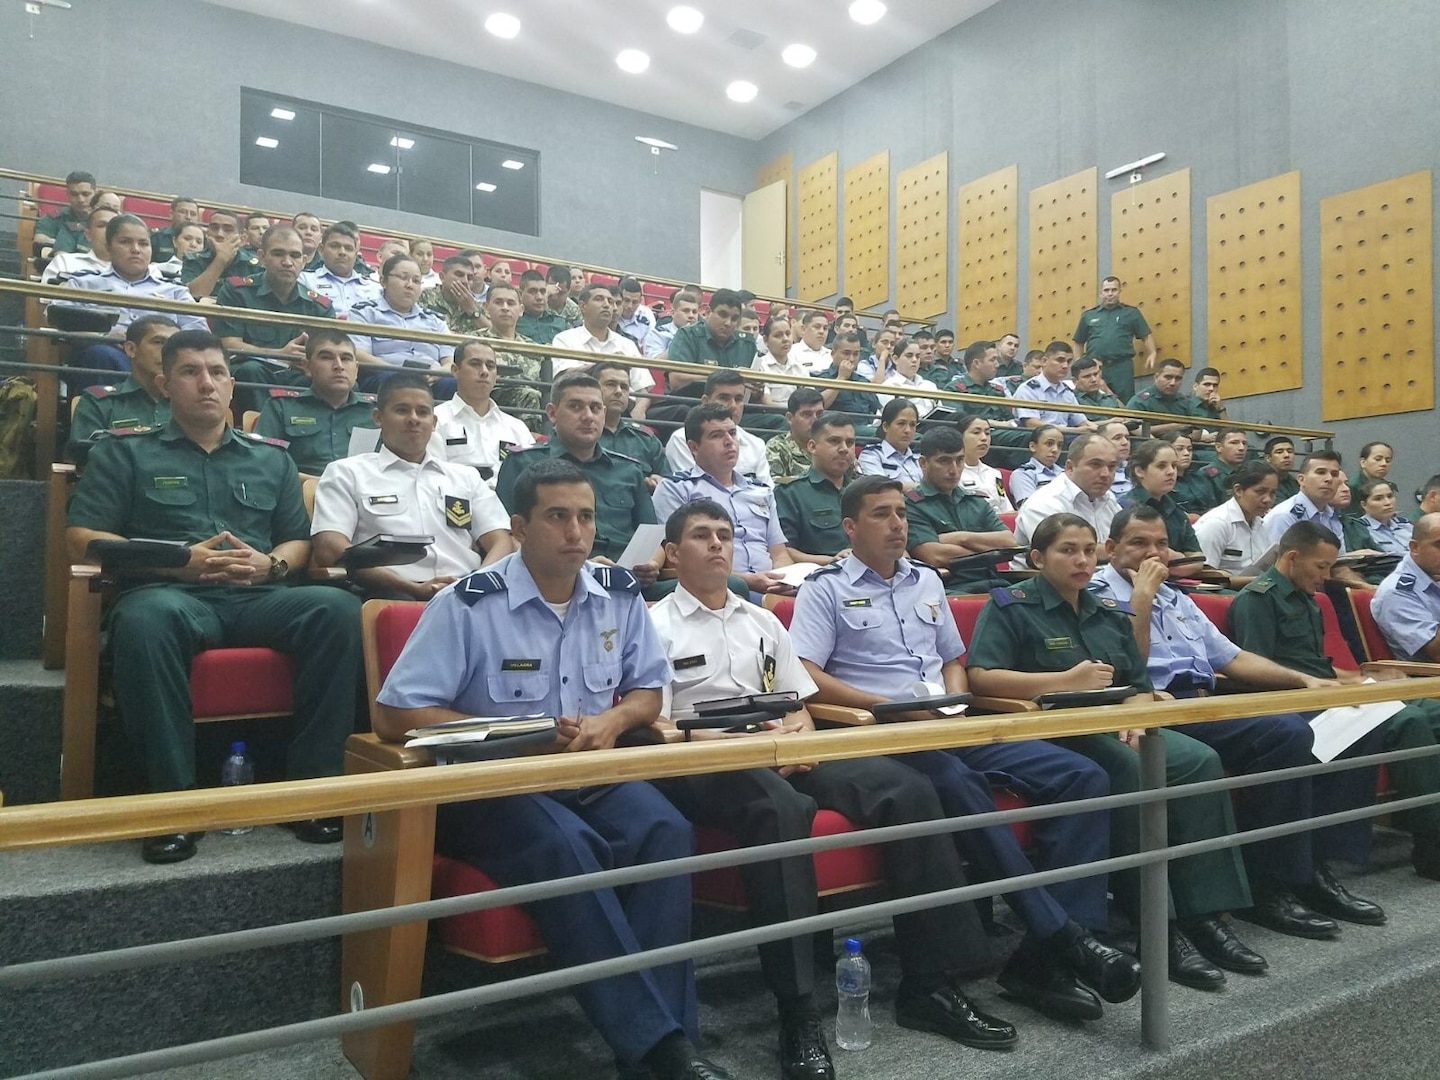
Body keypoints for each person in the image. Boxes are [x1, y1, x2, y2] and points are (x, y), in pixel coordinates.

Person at [373, 459, 732, 1080]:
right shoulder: (468, 602)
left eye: (586, 517)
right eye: (558, 516)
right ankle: (662, 1052)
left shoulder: (618, 593)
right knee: (568, 846)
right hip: (491, 785)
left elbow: (648, 690)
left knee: (666, 830)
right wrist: (512, 742)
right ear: (519, 525)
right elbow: (396, 714)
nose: (576, 531)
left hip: (587, 771)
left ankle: (660, 1047)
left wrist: (613, 723)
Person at [650, 499, 1019, 1070]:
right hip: (709, 765)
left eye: (725, 534)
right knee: (780, 810)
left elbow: (800, 701)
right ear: (673, 553)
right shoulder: (654, 623)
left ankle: (930, 984)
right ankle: (798, 1011)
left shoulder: (763, 619)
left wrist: (796, 732)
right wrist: (739, 745)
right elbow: (660, 723)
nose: (718, 545)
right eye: (702, 536)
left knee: (906, 789)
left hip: (790, 748)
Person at [790, 478, 1141, 1021]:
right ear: (850, 527)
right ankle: (1063, 936)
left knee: (1082, 777)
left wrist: (953, 697)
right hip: (880, 732)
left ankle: (1042, 961)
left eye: (902, 513)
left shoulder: (927, 580)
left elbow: (954, 657)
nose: (897, 523)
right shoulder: (825, 587)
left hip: (951, 723)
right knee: (953, 780)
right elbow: (807, 675)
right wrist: (889, 706)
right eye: (881, 514)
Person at [65, 329, 361, 863]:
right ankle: (172, 805)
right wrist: (181, 558)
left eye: (218, 372)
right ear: (164, 383)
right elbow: (84, 536)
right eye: (190, 372)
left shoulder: (272, 459)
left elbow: (297, 540)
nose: (207, 383)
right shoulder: (125, 452)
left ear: (231, 385)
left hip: (258, 598)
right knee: (145, 622)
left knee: (338, 608)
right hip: (169, 594)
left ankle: (313, 793)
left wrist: (269, 564)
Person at [967, 513, 1264, 988]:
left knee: (1199, 761)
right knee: (1130, 772)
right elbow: (982, 676)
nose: (1081, 559)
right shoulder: (1010, 605)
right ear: (1038, 558)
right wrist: (1062, 681)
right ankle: (1157, 927)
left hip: (1112, 724)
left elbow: (1138, 682)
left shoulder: (1107, 610)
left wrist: (1135, 715)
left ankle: (1203, 913)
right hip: (1052, 728)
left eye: (1088, 550)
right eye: (1067, 550)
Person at [1093, 506, 1383, 937]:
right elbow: (1126, 669)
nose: (1152, 553)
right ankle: (1260, 888)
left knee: (1326, 726)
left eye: (1160, 543)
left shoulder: (1180, 598)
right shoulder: (1098, 594)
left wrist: (1304, 680)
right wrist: (1141, 599)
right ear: (1112, 549)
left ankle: (1300, 873)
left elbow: (1232, 657)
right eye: (1138, 543)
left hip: (1207, 703)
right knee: (1280, 734)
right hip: (1153, 709)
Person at [1235, 521, 1440, 882]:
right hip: (1299, 704)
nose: (1327, 576)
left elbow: (1319, 666)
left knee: (1426, 707)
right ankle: (1430, 841)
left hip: (1331, 691)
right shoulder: (1257, 599)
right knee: (1410, 721)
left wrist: (1362, 680)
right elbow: (1258, 672)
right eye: (1321, 567)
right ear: (1294, 557)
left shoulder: (1309, 600)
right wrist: (1343, 686)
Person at [311, 372, 513, 598]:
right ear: (378, 417)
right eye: (402, 410)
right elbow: (329, 547)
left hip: (467, 589)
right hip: (387, 590)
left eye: (423, 412)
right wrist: (410, 587)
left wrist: (476, 583)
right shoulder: (347, 473)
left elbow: (501, 540)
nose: (414, 419)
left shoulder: (466, 477)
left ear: (434, 423)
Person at [496, 376, 661, 584]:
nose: (588, 416)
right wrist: (585, 566)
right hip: (554, 578)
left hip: (627, 578)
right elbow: (511, 536)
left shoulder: (628, 469)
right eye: (576, 407)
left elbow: (652, 536)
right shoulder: (522, 463)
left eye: (595, 408)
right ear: (552, 413)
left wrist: (652, 564)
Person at [52, 214, 209, 392]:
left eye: (143, 243)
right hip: (108, 356)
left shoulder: (175, 291)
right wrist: (104, 337)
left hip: (164, 358)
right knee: (100, 355)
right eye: (126, 242)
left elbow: (199, 333)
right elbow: (61, 321)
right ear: (108, 247)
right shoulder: (84, 284)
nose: (136, 249)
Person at [654, 405, 792, 595]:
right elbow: (677, 558)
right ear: (694, 447)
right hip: (720, 587)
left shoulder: (761, 490)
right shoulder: (676, 488)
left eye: (732, 433)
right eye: (717, 435)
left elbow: (779, 553)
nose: (729, 442)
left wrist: (784, 580)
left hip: (772, 585)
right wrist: (747, 580)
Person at [212, 224, 337, 412]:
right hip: (251, 374)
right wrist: (279, 354)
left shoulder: (319, 306)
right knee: (251, 370)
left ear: (304, 261)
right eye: (278, 254)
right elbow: (229, 344)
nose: (287, 262)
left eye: (295, 256)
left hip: (298, 375)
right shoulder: (237, 292)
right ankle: (264, 433)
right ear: (262, 257)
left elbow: (327, 353)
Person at [904, 426, 1017, 593]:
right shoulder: (910, 505)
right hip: (948, 589)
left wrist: (959, 538)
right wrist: (990, 551)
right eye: (944, 461)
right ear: (923, 463)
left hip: (995, 584)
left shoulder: (976, 501)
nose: (954, 470)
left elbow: (1009, 542)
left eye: (959, 460)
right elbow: (934, 555)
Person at [254, 328, 378, 477]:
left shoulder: (376, 412)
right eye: (326, 357)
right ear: (307, 367)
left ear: (356, 369)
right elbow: (265, 463)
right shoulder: (281, 407)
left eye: (346, 358)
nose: (339, 366)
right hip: (300, 494)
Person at [68, 316, 179, 461]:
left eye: (175, 346)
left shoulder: (192, 402)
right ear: (131, 349)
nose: (167, 352)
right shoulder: (99, 402)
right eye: (158, 342)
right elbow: (85, 458)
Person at [432, 340, 535, 485]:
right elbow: (430, 475)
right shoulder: (436, 420)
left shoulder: (516, 428)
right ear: (455, 370)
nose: (484, 371)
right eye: (475, 364)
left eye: (491, 366)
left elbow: (530, 479)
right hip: (455, 504)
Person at [347, 254, 454, 386]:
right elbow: (358, 354)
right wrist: (400, 372)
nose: (410, 285)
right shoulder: (364, 313)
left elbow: (450, 362)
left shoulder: (435, 320)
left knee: (455, 384)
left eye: (416, 281)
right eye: (403, 278)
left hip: (431, 380)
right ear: (383, 281)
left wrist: (437, 374)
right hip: (385, 376)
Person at [1013, 432, 1121, 561]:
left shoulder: (1108, 498)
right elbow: (1065, 553)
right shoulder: (1044, 502)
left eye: (1111, 467)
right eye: (1095, 465)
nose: (1105, 474)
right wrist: (1125, 551)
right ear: (1070, 467)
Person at [553, 285, 654, 418]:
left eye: (610, 301)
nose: (607, 305)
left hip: (624, 412)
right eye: (599, 299)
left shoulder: (627, 344)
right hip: (583, 410)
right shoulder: (565, 339)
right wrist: (605, 364)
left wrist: (639, 411)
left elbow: (643, 389)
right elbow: (564, 377)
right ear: (583, 306)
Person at [776, 411, 857, 563]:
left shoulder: (863, 492)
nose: (844, 449)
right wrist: (832, 561)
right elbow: (783, 551)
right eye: (834, 441)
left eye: (850, 442)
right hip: (819, 575)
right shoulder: (791, 492)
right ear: (812, 446)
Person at [664, 370, 772, 483]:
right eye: (724, 398)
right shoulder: (682, 440)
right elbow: (694, 489)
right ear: (705, 402)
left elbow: (767, 493)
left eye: (739, 399)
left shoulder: (756, 444)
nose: (733, 406)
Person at [1118, 439, 1204, 570]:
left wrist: (1173, 560)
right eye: (1161, 466)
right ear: (1140, 471)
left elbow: (1198, 560)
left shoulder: (1177, 510)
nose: (1171, 472)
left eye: (1174, 465)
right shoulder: (1125, 507)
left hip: (1178, 581)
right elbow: (1143, 557)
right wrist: (1181, 558)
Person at [1072, 275, 1155, 404]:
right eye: (1106, 290)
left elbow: (1146, 335)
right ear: (1101, 293)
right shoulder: (1089, 315)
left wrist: (1152, 352)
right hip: (1095, 368)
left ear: (1119, 292)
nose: (1110, 294)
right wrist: (1079, 363)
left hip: (1121, 366)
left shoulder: (1131, 313)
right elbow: (1078, 341)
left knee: (1124, 401)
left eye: (1114, 290)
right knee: (1094, 399)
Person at [1193, 461, 1280, 576]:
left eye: (1272, 493)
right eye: (1260, 492)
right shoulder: (1216, 523)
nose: (1267, 499)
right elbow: (1203, 575)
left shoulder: (1262, 524)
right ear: (1238, 490)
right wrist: (1254, 582)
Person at [588, 360, 666, 487]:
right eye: (611, 384)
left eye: (624, 387)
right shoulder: (581, 433)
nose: (619, 391)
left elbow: (668, 480)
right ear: (593, 389)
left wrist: (659, 481)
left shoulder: (645, 439)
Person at [476, 281, 544, 425]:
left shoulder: (534, 348)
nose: (505, 308)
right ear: (486, 308)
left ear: (520, 310)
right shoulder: (474, 341)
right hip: (484, 402)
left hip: (532, 408)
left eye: (511, 303)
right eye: (499, 302)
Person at [666, 288, 754, 391]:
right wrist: (729, 379)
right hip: (692, 403)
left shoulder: (747, 344)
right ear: (707, 312)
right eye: (723, 315)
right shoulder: (687, 336)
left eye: (734, 318)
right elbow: (676, 380)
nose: (728, 323)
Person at [295, 221, 381, 318]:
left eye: (348, 248)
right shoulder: (304, 280)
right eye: (335, 246)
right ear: (321, 250)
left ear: (356, 254)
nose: (342, 252)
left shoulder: (375, 287)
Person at [1012, 342, 1096, 435]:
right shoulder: (1028, 389)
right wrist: (1074, 431)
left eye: (1068, 361)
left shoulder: (1067, 392)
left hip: (1065, 437)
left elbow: (1082, 422)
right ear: (1044, 361)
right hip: (1038, 439)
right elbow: (1032, 424)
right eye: (1060, 360)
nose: (1065, 366)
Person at [181, 210, 260, 299]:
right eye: (214, 228)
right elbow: (191, 297)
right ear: (207, 234)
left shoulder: (255, 266)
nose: (219, 234)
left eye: (228, 230)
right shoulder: (194, 259)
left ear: (242, 239)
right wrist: (220, 260)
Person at [1126, 359, 1206, 438]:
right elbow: (1132, 429)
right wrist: (1170, 427)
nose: (1173, 383)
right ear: (1156, 377)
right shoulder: (1141, 401)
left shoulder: (1184, 401)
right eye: (1168, 377)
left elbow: (1197, 432)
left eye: (1178, 378)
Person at [953, 413, 1015, 513]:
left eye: (987, 433)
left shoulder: (995, 474)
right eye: (976, 432)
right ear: (960, 437)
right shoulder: (952, 473)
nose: (984, 438)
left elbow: (1006, 507)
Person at [813, 332, 881, 421]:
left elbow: (878, 409)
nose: (851, 359)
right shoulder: (822, 379)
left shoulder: (863, 381)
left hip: (865, 428)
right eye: (846, 353)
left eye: (856, 354)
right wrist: (841, 378)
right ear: (833, 353)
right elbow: (817, 408)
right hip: (835, 427)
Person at [40, 205, 114, 284]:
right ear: (88, 235)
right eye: (102, 225)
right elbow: (48, 295)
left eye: (114, 227)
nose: (109, 231)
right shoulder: (64, 262)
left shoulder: (128, 271)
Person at [855, 398, 921, 488]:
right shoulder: (871, 455)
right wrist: (919, 488)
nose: (908, 430)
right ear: (885, 427)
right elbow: (880, 489)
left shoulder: (920, 459)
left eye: (912, 425)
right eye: (901, 423)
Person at [765, 387, 825, 483]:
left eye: (819, 414)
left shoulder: (832, 444)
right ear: (789, 418)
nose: (815, 420)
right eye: (807, 414)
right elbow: (776, 487)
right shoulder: (777, 447)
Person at [752, 316, 812, 406]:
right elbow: (768, 403)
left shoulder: (799, 367)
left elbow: (811, 400)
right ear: (765, 340)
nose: (785, 339)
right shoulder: (760, 366)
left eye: (788, 334)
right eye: (778, 335)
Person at [35, 170, 96, 253]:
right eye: (74, 194)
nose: (80, 200)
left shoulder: (105, 220)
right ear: (67, 194)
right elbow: (39, 239)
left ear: (95, 194)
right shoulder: (55, 217)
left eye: (85, 194)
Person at [878, 336, 939, 417]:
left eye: (917, 356)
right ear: (895, 359)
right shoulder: (888, 387)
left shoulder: (930, 385)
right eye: (909, 356)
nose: (914, 360)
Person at [1006, 425, 1065, 507]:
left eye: (1059, 445)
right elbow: (1029, 509)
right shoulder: (1023, 474)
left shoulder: (1066, 473)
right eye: (1049, 444)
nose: (1055, 449)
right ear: (1033, 446)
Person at [1355, 478, 1413, 555]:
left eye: (1390, 496)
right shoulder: (1359, 529)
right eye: (1378, 499)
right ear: (1364, 505)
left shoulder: (1406, 524)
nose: (1388, 502)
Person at [515, 268, 567, 344]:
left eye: (543, 292)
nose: (539, 297)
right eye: (533, 292)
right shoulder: (514, 322)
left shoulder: (560, 322)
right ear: (520, 294)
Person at [647, 286, 700, 359]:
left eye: (694, 312)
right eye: (686, 311)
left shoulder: (703, 335)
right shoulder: (659, 333)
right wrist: (683, 338)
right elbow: (655, 363)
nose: (691, 315)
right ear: (672, 313)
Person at [149, 196, 201, 264]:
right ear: (171, 214)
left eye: (193, 214)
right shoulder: (157, 237)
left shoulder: (203, 241)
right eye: (183, 212)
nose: (188, 217)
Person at [615, 276, 655, 351]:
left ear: (640, 300)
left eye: (635, 302)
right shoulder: (610, 311)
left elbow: (649, 348)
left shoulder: (647, 314)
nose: (630, 306)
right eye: (626, 300)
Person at [1100, 419, 1135, 502]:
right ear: (1101, 441)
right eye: (1117, 438)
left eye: (1127, 438)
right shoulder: (1097, 473)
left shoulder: (1138, 469)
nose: (1125, 442)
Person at [1263, 436, 1301, 502]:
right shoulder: (1261, 481)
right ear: (1268, 458)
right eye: (1279, 452)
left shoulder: (1294, 482)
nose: (1286, 455)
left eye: (1290, 451)